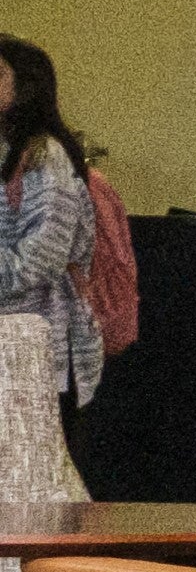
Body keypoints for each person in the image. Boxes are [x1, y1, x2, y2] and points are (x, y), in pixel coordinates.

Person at [0, 36, 96, 535]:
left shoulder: (45, 156)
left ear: (26, 87)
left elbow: (44, 254)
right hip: (10, 347)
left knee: (43, 488)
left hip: (43, 347)